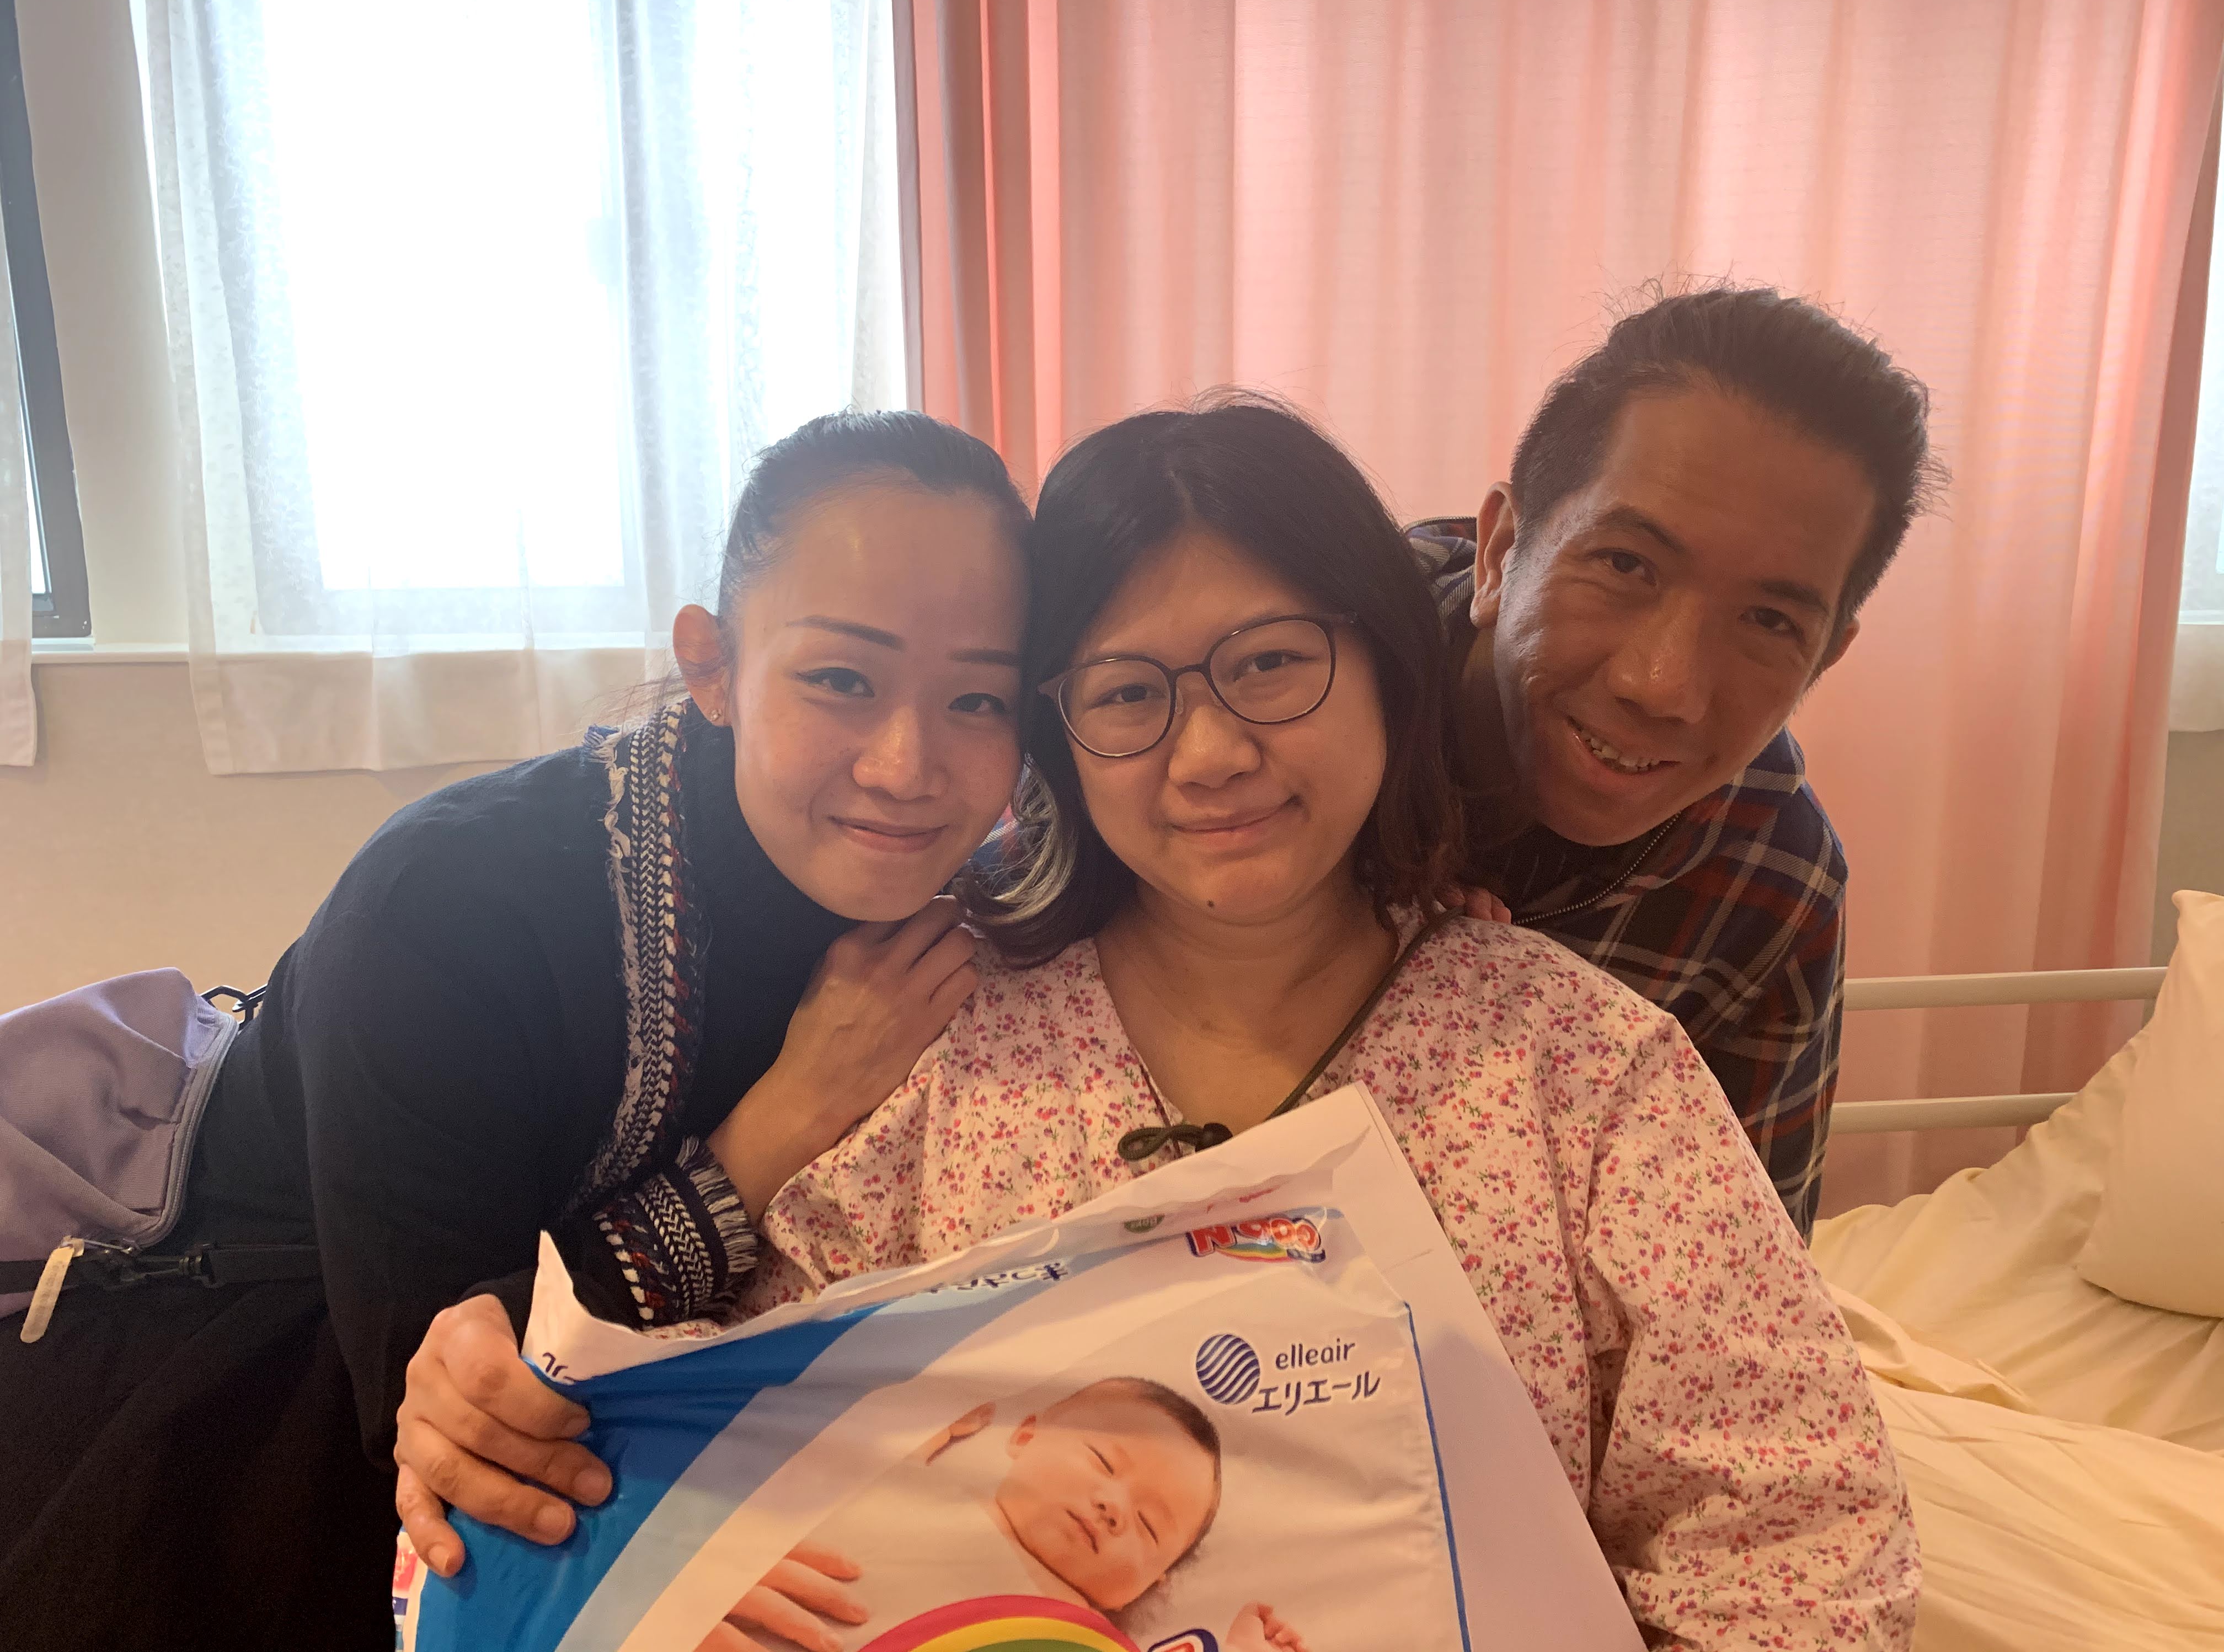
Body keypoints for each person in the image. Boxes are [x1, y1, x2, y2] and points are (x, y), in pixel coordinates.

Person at [744, 398, 1918, 1650]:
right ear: (1060, 735)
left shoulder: (1587, 1071)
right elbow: (761, 1421)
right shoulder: (938, 1028)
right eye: (1127, 692)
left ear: (1387, 671)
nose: (1208, 753)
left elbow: (1799, 1549)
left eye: (1269, 664)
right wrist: (722, 1548)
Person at [0, 411, 1031, 1652]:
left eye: (979, 698)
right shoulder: (451, 904)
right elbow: (465, 1405)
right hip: (268, 1400)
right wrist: (778, 1128)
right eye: (842, 680)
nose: (910, 764)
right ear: (712, 666)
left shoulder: (986, 905)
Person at [1412, 286, 1944, 1237]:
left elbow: (1743, 1270)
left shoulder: (1771, 882)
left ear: (1823, 659)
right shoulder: (1297, 686)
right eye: (1624, 564)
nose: (1664, 687)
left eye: (1769, 621)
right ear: (1499, 551)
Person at [702, 1379, 1302, 1652]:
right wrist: (919, 1427)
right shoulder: (911, 1475)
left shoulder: (1090, 1634)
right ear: (1025, 1436)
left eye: (1149, 1527)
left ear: (1151, 1585)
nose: (1113, 1507)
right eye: (1101, 1461)